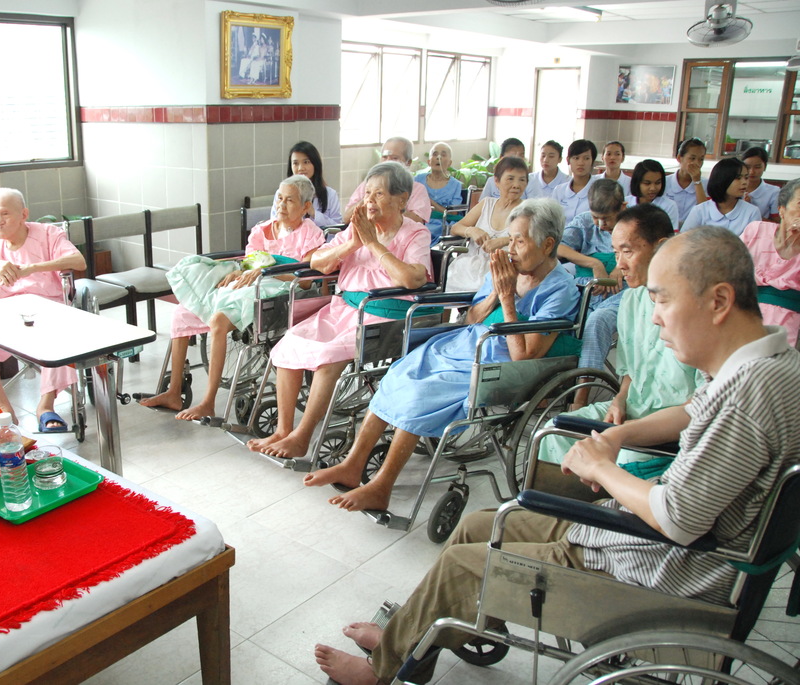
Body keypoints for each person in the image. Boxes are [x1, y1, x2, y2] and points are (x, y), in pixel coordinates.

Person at [314, 225, 800, 685]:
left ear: (719, 301)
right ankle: (421, 633)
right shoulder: (770, 363)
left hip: (652, 568)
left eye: (663, 301)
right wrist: (619, 434)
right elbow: (692, 410)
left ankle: (385, 667)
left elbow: (677, 517)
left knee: (464, 563)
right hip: (644, 541)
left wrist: (602, 468)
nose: (654, 317)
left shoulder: (748, 399)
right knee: (479, 525)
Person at [304, 199, 579, 513]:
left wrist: (507, 298)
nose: (511, 249)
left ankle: (382, 486)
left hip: (498, 362)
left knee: (422, 391)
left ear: (547, 245)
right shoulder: (507, 270)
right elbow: (472, 317)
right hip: (465, 342)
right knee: (401, 372)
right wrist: (496, 291)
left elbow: (524, 356)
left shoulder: (561, 289)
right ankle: (353, 464)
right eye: (510, 239)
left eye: (520, 241)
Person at [247, 162, 432, 459]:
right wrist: (353, 244)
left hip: (383, 314)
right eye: (367, 193)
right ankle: (283, 430)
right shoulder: (357, 228)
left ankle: (302, 437)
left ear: (402, 199)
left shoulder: (415, 233)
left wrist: (373, 244)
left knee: (328, 357)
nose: (369, 200)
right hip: (344, 308)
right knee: (291, 341)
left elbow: (412, 279)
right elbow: (318, 263)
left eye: (378, 194)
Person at [140, 175, 324, 419]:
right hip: (250, 282)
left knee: (218, 320)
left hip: (280, 290)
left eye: (289, 200)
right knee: (182, 313)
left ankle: (208, 402)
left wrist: (267, 270)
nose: (281, 204)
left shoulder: (310, 234)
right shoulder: (262, 230)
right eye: (279, 198)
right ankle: (174, 392)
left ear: (305, 206)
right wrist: (242, 270)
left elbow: (307, 279)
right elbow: (248, 262)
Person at [539, 203, 699, 463]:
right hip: (633, 408)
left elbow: (702, 404)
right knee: (554, 433)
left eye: (628, 251)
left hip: (673, 425)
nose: (620, 265)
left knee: (625, 454)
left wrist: (632, 430)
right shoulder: (631, 301)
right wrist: (619, 401)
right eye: (615, 253)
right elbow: (630, 373)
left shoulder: (696, 307)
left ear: (661, 248)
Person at [0, 188, 87, 432]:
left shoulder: (48, 234)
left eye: (5, 214)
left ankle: (46, 406)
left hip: (46, 309)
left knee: (61, 328)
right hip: (2, 314)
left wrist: (32, 268)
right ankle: (3, 409)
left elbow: (78, 261)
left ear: (24, 214)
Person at [445, 156, 528, 292]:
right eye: (510, 179)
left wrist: (504, 241)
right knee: (449, 283)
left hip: (502, 270)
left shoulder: (527, 210)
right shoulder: (487, 204)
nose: (516, 185)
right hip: (469, 267)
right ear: (497, 181)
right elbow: (455, 228)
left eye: (522, 180)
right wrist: (472, 230)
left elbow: (532, 240)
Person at [740, 178, 800, 345]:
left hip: (789, 323)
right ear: (781, 210)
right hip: (744, 310)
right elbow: (729, 266)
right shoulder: (756, 230)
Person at [557, 179, 626, 298]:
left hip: (621, 291)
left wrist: (622, 266)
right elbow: (558, 248)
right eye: (595, 217)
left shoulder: (636, 223)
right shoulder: (584, 221)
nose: (601, 224)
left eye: (606, 218)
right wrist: (595, 264)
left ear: (623, 207)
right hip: (586, 289)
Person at [342, 137, 431, 225]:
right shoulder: (367, 185)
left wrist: (386, 207)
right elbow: (347, 218)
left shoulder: (417, 189)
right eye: (384, 157)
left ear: (408, 162)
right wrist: (368, 198)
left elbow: (417, 220)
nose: (387, 162)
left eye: (394, 158)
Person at [269, 141, 342, 228]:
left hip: (322, 237)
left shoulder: (330, 194)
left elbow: (337, 227)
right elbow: (275, 224)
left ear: (315, 164)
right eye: (295, 163)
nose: (300, 168)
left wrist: (313, 213)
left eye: (306, 162)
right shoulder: (281, 193)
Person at [680, 157, 760, 235]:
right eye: (738, 178)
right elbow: (682, 239)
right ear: (722, 179)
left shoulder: (752, 212)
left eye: (746, 177)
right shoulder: (700, 210)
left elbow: (754, 242)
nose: (744, 182)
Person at [414, 142, 464, 243]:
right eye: (435, 154)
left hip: (443, 224)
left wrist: (431, 202)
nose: (439, 157)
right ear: (429, 161)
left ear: (450, 163)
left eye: (443, 155)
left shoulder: (456, 185)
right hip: (420, 221)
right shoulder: (418, 179)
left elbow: (452, 213)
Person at [662, 138, 708, 229]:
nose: (697, 163)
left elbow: (704, 211)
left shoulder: (706, 184)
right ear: (679, 158)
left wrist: (697, 181)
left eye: (701, 159)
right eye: (692, 158)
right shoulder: (664, 182)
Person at [553, 139, 598, 224]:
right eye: (576, 158)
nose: (581, 163)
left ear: (592, 161)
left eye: (586, 158)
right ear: (568, 160)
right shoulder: (559, 191)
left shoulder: (600, 190)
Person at [625, 158, 679, 227]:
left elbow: (671, 233)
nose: (653, 188)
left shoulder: (669, 206)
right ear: (637, 183)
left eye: (657, 183)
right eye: (647, 183)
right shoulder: (626, 203)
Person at [740, 146, 779, 222]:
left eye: (757, 167)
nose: (752, 172)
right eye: (747, 167)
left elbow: (776, 224)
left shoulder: (774, 192)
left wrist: (750, 209)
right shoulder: (732, 188)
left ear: (765, 167)